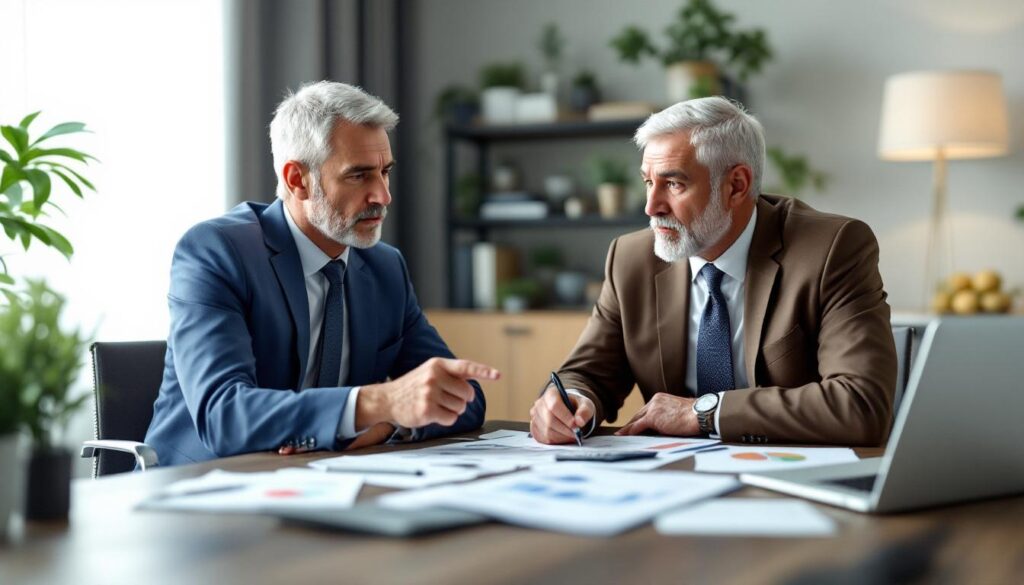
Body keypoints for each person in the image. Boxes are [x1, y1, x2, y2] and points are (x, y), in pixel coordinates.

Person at [145, 81, 498, 466]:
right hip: (199, 488)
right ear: (298, 179)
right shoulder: (218, 252)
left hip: (318, 484)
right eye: (359, 175)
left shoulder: (385, 268)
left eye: (385, 172)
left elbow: (462, 397)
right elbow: (223, 417)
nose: (383, 196)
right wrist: (379, 402)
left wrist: (389, 424)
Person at [530, 96, 896, 447]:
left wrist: (704, 412)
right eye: (647, 182)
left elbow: (861, 405)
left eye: (673, 184)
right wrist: (569, 404)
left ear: (736, 185)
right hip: (672, 480)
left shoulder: (831, 249)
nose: (651, 206)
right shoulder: (630, 258)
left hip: (789, 481)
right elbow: (587, 373)